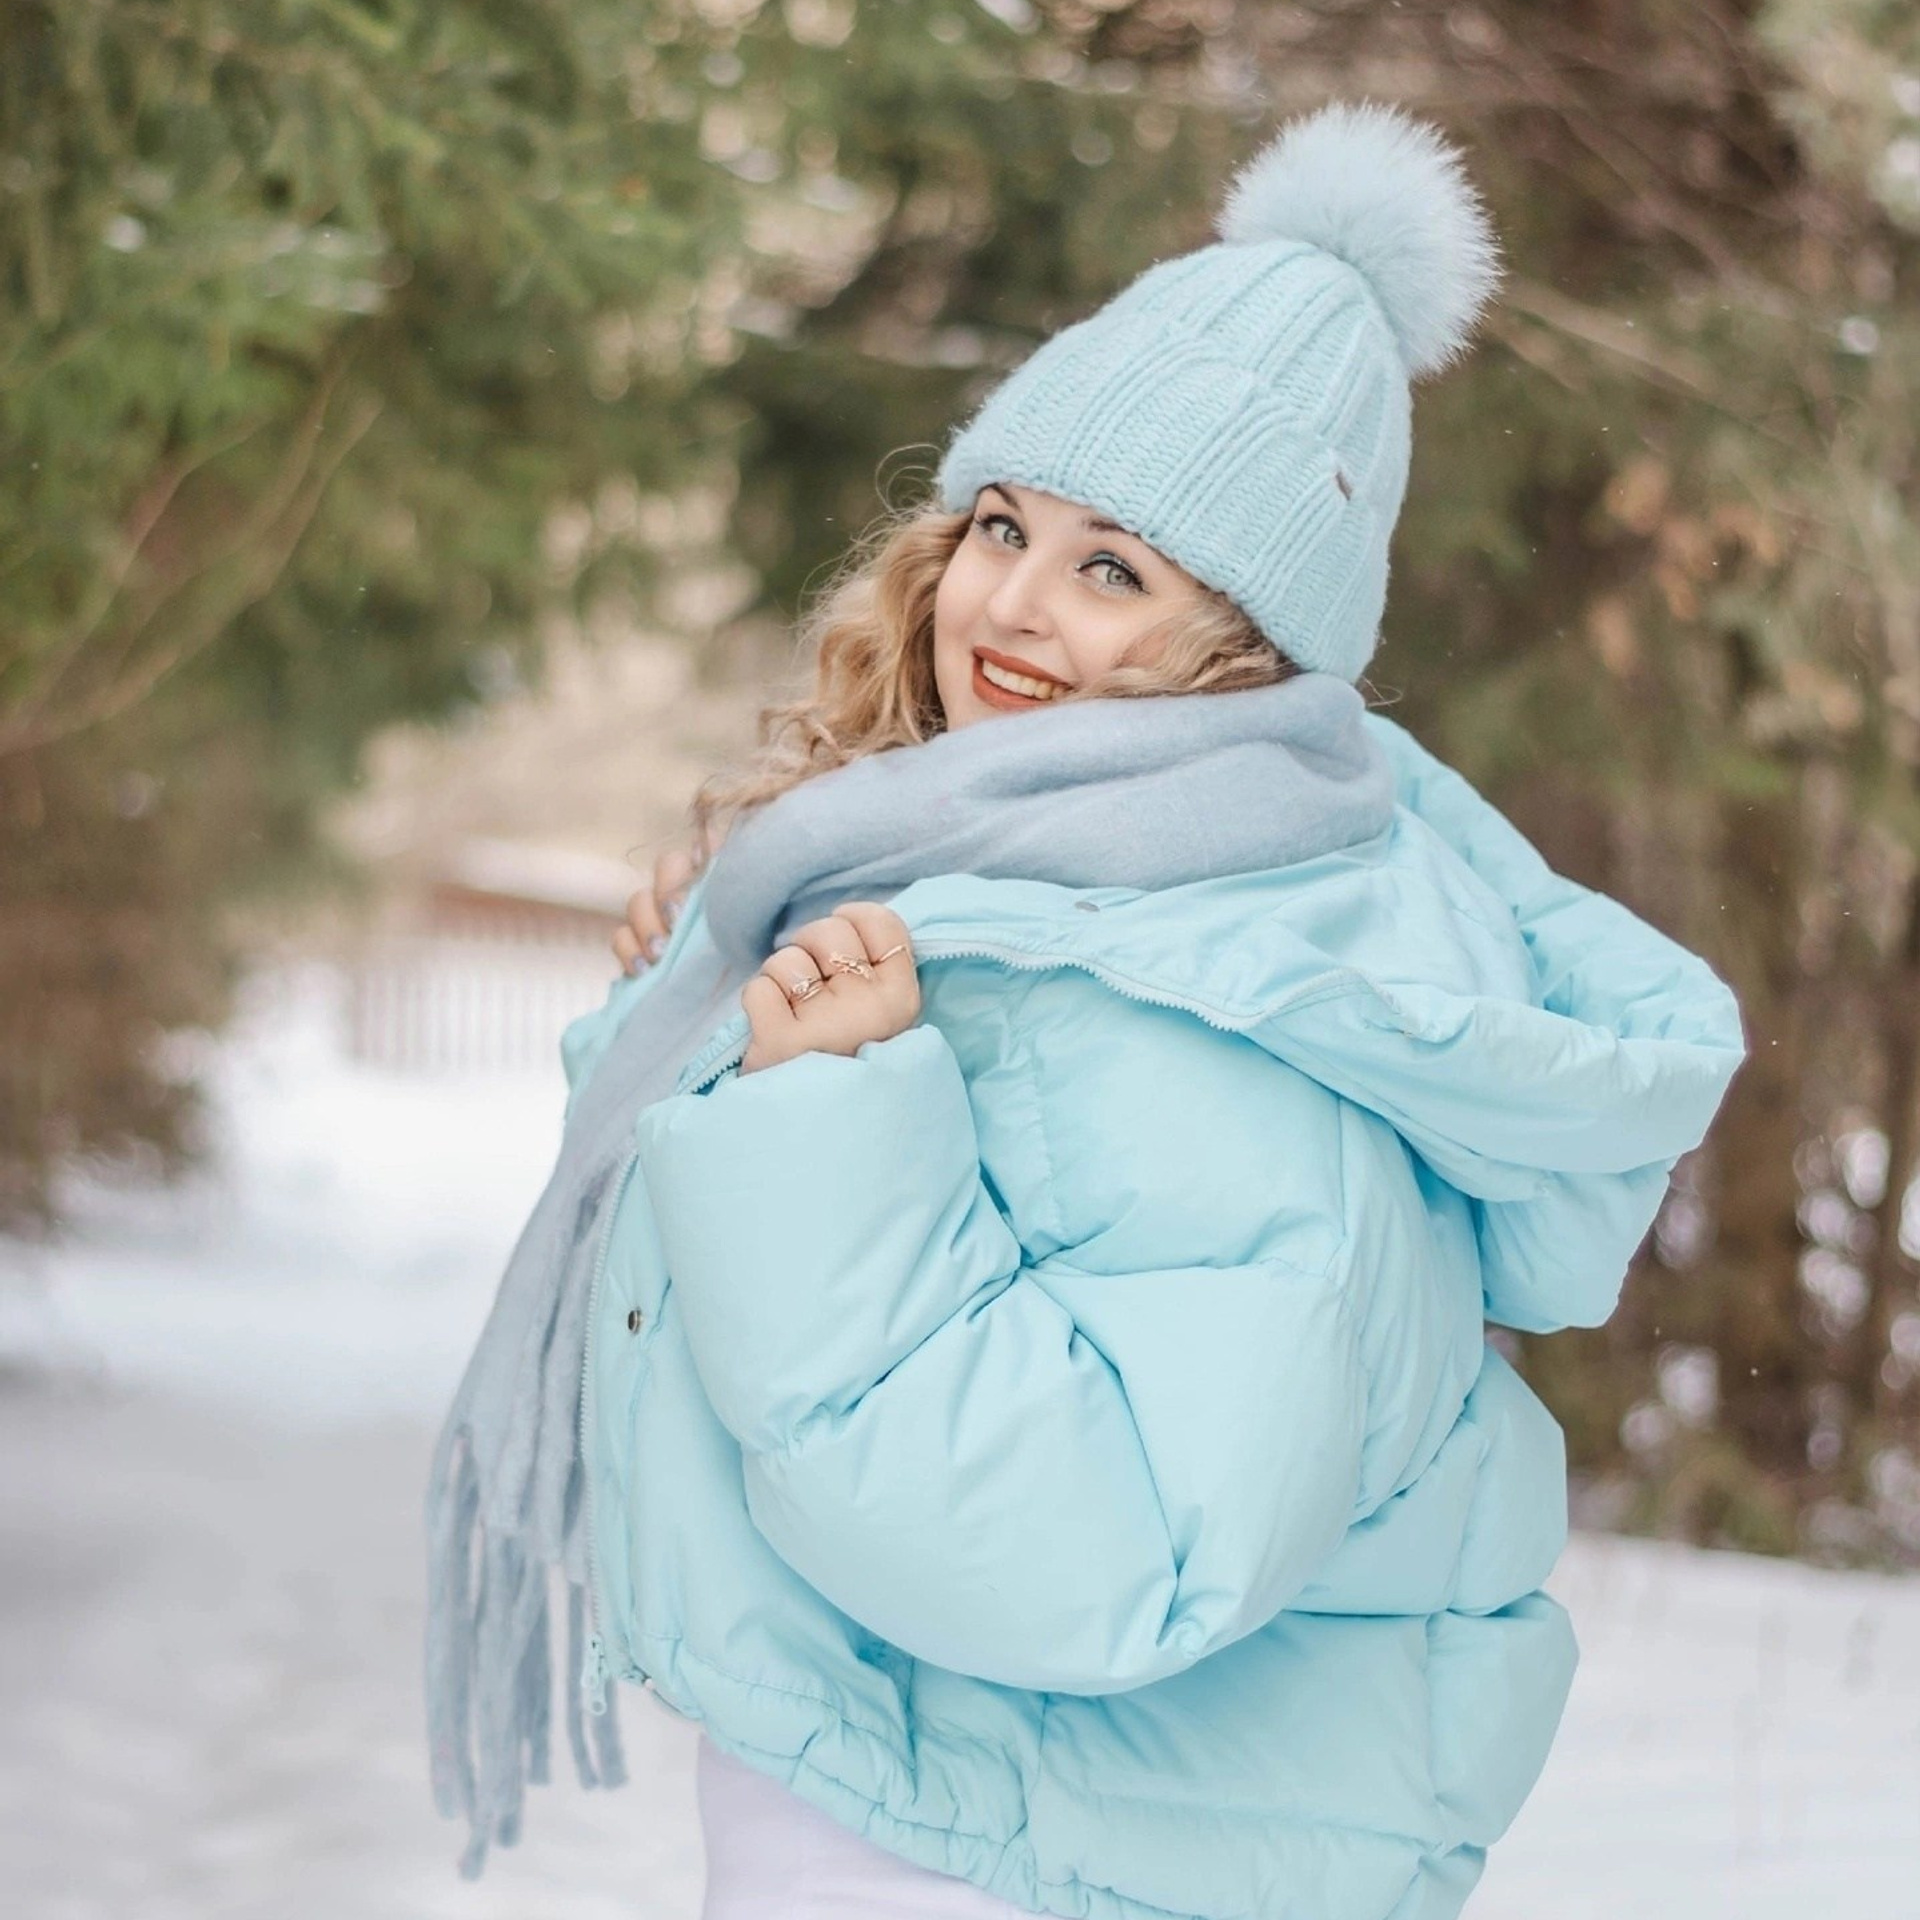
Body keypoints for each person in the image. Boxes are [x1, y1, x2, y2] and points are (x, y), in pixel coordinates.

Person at [424, 100, 1747, 1920]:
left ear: (1252, 641)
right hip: (968, 1801)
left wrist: (827, 1112)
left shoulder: (1232, 993)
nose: (1010, 607)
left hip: (1037, 1849)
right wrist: (725, 1005)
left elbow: (1110, 1552)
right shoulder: (1051, 877)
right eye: (999, 526)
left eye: (1113, 567)